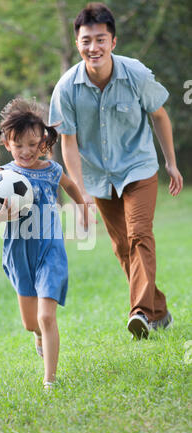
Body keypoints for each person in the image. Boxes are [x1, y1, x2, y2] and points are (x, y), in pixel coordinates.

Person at [49, 2, 183, 339]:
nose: (93, 47)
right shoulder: (66, 88)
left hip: (138, 168)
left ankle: (139, 312)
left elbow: (160, 115)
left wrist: (171, 162)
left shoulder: (135, 73)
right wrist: (80, 197)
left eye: (100, 39)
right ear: (77, 42)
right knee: (122, 247)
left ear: (113, 41)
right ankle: (159, 311)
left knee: (140, 235)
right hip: (98, 178)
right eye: (86, 41)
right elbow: (68, 143)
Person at [0, 97, 94, 389]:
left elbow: (70, 186)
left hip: (50, 253)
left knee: (46, 316)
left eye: (33, 144)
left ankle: (49, 380)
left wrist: (83, 211)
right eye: (19, 146)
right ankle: (38, 335)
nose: (26, 151)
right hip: (19, 256)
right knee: (31, 323)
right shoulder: (2, 177)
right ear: (7, 144)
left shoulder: (52, 170)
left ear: (43, 141)